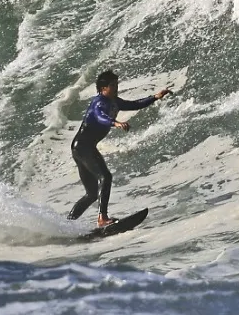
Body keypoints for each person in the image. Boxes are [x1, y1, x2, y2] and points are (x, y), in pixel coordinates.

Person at [68, 70, 173, 227]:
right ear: (103, 88)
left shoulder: (115, 101)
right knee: (106, 177)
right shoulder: (99, 102)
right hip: (82, 147)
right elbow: (99, 116)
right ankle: (102, 218)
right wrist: (115, 122)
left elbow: (134, 104)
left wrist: (155, 97)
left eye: (117, 84)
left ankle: (68, 223)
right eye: (113, 85)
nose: (116, 87)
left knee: (91, 193)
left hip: (82, 148)